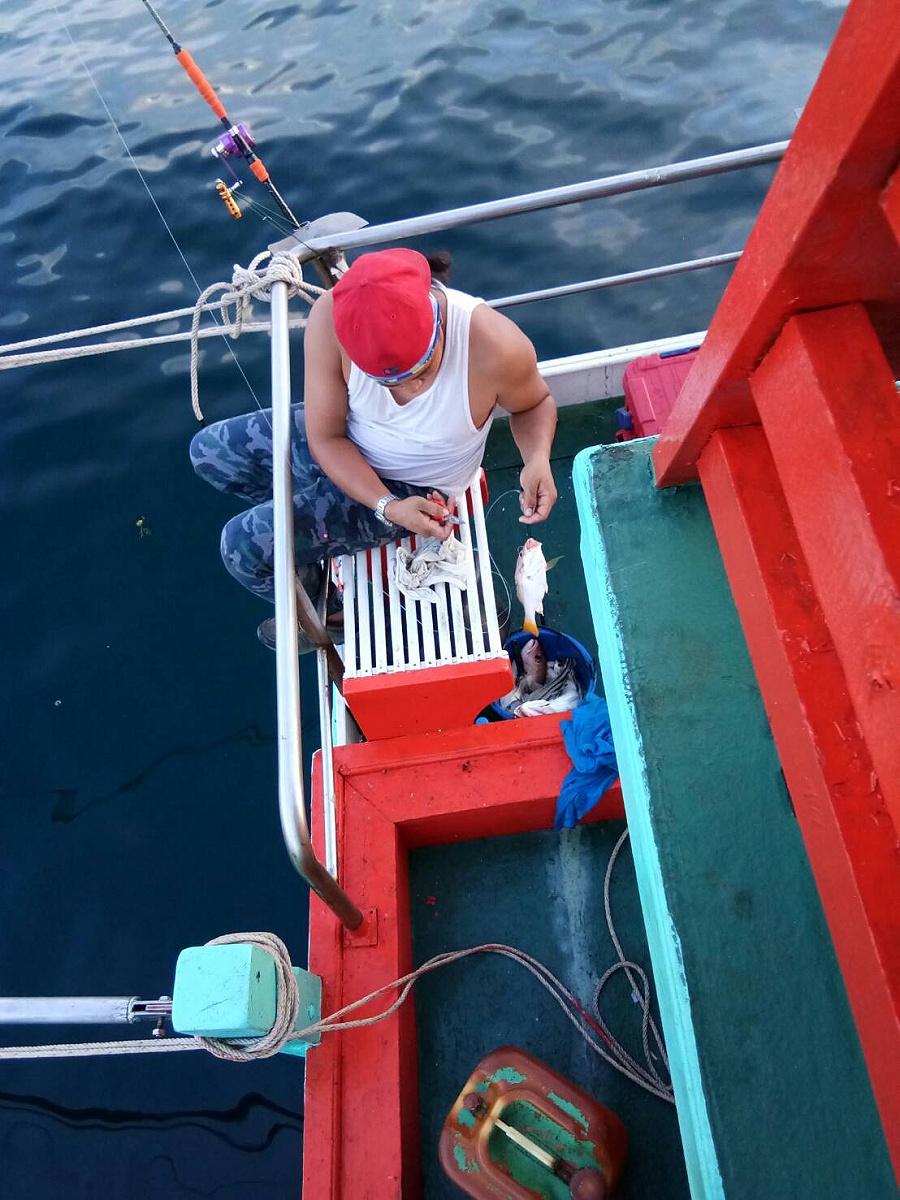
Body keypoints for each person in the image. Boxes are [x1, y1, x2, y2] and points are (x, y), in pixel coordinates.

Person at [190, 247, 558, 648]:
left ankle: (327, 616)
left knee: (240, 549)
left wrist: (536, 459)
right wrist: (383, 504)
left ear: (438, 325)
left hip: (416, 490)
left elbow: (535, 404)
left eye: (421, 370)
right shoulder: (328, 319)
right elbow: (326, 436)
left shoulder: (495, 345)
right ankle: (318, 570)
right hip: (356, 455)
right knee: (208, 453)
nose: (409, 388)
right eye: (388, 381)